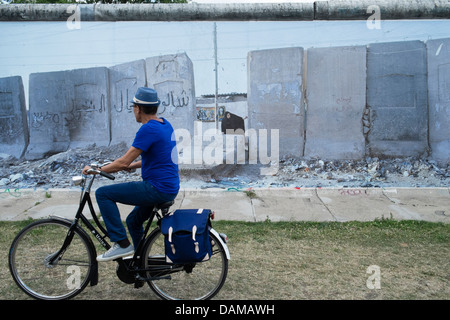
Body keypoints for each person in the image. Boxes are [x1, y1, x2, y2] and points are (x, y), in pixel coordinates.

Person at [82, 87, 180, 262]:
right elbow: (159, 158)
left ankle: (122, 243)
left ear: (138, 108)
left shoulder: (148, 129)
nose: (133, 111)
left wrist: (96, 170)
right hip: (169, 186)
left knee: (103, 194)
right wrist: (134, 165)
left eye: (133, 107)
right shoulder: (164, 124)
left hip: (156, 188)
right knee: (133, 221)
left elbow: (122, 162)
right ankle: (141, 264)